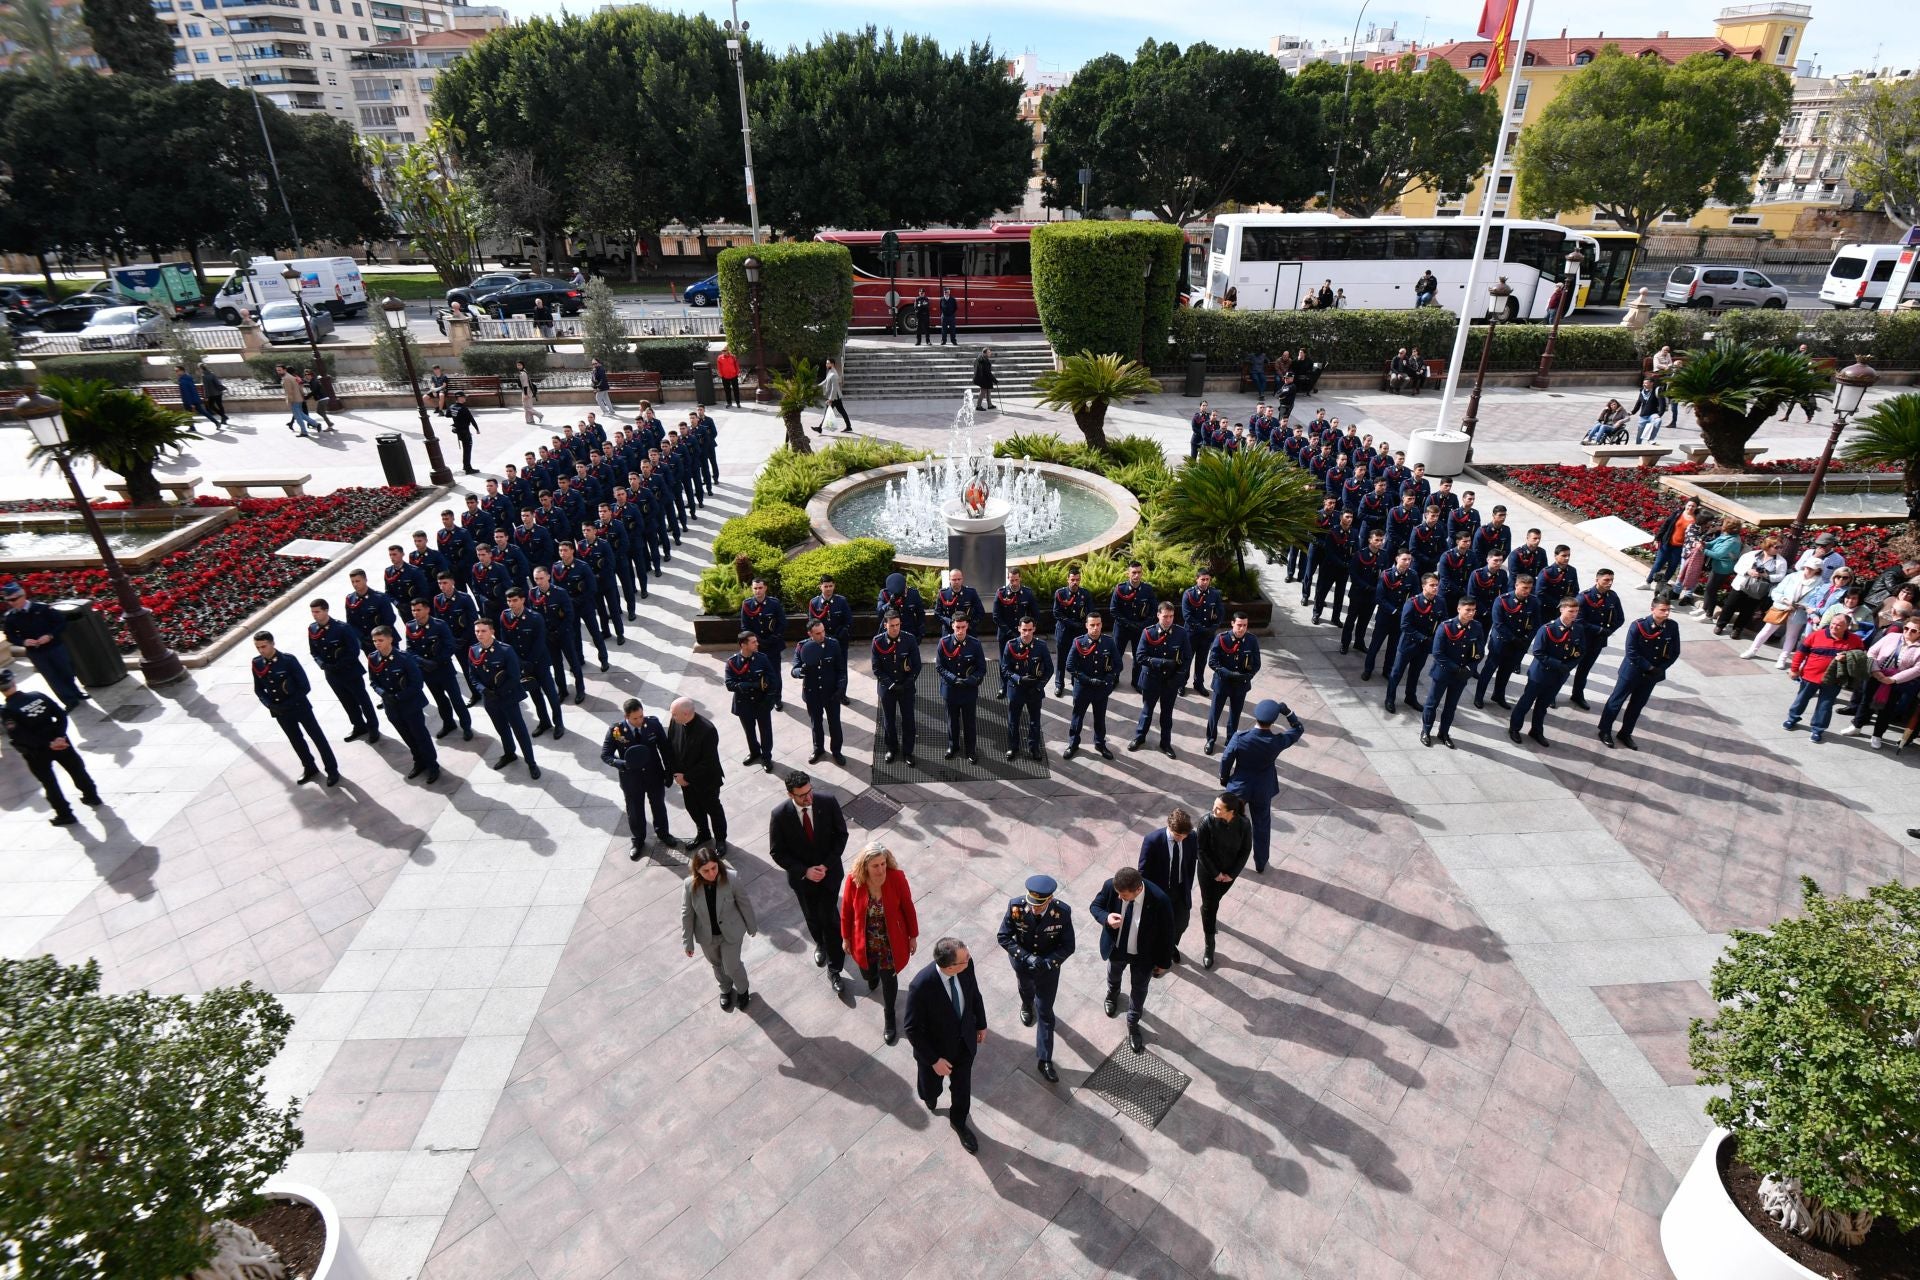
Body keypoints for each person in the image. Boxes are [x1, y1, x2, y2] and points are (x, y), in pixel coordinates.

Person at [903, 936, 988, 1152]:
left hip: (964, 1045)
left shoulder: (966, 967)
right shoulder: (921, 986)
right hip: (935, 1052)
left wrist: (981, 1024)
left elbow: (974, 995)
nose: (969, 959)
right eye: (964, 958)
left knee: (962, 1089)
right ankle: (930, 1097)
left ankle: (959, 1122)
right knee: (930, 1089)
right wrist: (933, 1060)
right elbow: (912, 1029)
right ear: (950, 967)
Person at [768, 771, 849, 991]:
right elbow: (777, 852)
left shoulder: (828, 802)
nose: (808, 798)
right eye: (802, 795)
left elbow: (841, 835)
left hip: (829, 875)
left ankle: (835, 970)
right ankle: (820, 943)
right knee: (811, 915)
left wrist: (826, 865)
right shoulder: (780, 815)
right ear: (790, 794)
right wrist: (804, 871)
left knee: (830, 918)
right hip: (803, 880)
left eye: (809, 791)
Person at [840, 841, 919, 1046]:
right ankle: (871, 975)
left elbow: (908, 908)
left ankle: (890, 1015)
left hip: (890, 942)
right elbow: (847, 911)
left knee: (889, 980)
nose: (881, 869)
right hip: (864, 940)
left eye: (883, 864)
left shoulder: (897, 878)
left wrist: (912, 936)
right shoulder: (853, 881)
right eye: (875, 866)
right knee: (867, 974)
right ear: (865, 866)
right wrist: (846, 938)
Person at [997, 875, 1074, 1083]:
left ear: (1049, 900)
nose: (1034, 909)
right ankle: (1025, 1004)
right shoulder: (1016, 907)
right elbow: (1003, 937)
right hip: (1023, 965)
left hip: (1048, 971)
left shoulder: (1062, 913)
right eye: (1032, 904)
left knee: (1046, 1012)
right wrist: (1026, 957)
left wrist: (1048, 962)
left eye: (1039, 905)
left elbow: (1068, 946)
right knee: (1025, 990)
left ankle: (1044, 1060)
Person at [0, 667, 99, 826]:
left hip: (37, 751)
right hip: (60, 742)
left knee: (50, 783)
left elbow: (20, 735)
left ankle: (65, 814)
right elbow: (61, 715)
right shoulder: (38, 696)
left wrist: (48, 744)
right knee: (76, 769)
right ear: (13, 681)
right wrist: (59, 737)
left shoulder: (8, 711)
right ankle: (92, 795)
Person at [1090, 866, 1173, 1053]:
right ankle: (1113, 994)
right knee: (1114, 973)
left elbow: (1167, 934)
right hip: (1117, 948)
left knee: (1140, 988)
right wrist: (1106, 918)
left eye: (1124, 895)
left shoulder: (1160, 900)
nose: (1120, 898)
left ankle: (1133, 1022)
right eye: (1118, 894)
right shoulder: (1111, 887)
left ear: (1138, 889)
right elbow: (1095, 906)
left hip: (1144, 956)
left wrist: (1163, 963)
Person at [1219, 699, 1305, 874]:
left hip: (1239, 788)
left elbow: (1226, 759)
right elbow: (1298, 729)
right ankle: (1260, 862)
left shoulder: (1239, 737)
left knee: (1229, 825)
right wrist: (1287, 712)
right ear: (1273, 722)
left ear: (1255, 717)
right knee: (1262, 825)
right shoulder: (1277, 741)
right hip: (1263, 788)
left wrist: (1224, 777)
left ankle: (1226, 863)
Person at [251, 631, 339, 787]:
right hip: (280, 711)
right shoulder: (257, 663)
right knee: (296, 741)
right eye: (258, 647)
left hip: (299, 707)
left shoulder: (288, 661)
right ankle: (309, 767)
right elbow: (258, 690)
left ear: (272, 643)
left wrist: (289, 704)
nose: (261, 650)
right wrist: (270, 705)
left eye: (264, 646)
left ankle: (332, 770)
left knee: (317, 737)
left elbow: (304, 686)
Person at [682, 846, 758, 1011]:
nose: (711, 873)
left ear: (718, 864)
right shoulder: (689, 885)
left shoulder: (732, 878)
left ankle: (743, 990)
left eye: (714, 868)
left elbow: (744, 903)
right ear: (697, 870)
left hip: (731, 932)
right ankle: (725, 989)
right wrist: (687, 941)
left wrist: (752, 926)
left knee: (731, 965)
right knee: (716, 964)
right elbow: (687, 915)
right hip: (707, 936)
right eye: (705, 870)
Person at [1598, 598, 1681, 750]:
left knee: (1637, 705)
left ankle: (1625, 733)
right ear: (1653, 609)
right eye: (1663, 609)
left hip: (1652, 675)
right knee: (1616, 701)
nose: (1667, 613)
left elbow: (1675, 652)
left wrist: (1661, 668)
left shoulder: (1672, 626)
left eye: (1668, 609)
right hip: (1632, 671)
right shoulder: (1638, 625)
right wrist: (1649, 667)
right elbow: (1631, 651)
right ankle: (1604, 730)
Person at [1509, 597, 1586, 747]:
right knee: (1526, 702)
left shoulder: (1578, 629)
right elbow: (1538, 652)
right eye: (1571, 611)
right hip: (1541, 674)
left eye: (1576, 612)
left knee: (1543, 705)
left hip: (1559, 675)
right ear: (1561, 609)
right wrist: (1559, 665)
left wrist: (1568, 666)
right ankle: (1514, 728)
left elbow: (1581, 651)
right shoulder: (1547, 629)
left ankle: (1536, 730)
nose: (1574, 615)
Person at [367, 626, 439, 783]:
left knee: (421, 736)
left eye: (381, 640)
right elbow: (373, 681)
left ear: (390, 639)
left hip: (410, 705)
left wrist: (399, 696)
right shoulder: (373, 658)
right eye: (374, 641)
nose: (377, 644)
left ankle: (432, 765)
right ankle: (419, 762)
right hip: (391, 707)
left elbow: (417, 683)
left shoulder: (404, 658)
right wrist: (383, 694)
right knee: (407, 736)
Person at [604, 698, 674, 859]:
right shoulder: (616, 730)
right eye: (635, 718)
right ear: (626, 716)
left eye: (641, 716)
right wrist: (622, 763)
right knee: (634, 810)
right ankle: (638, 841)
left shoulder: (653, 725)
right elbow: (605, 755)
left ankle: (663, 833)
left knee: (658, 806)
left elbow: (665, 749)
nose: (639, 720)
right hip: (631, 779)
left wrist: (668, 771)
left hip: (653, 774)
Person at [469, 618, 538, 778]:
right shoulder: (473, 651)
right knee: (502, 729)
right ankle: (509, 753)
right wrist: (484, 691)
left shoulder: (505, 651)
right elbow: (472, 676)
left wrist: (499, 692)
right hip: (490, 700)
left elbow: (514, 677)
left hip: (507, 698)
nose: (479, 634)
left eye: (483, 631)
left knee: (520, 731)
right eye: (477, 631)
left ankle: (531, 762)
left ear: (492, 632)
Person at [1785, 611, 1868, 743]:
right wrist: (1794, 669)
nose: (1834, 627)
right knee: (1801, 699)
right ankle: (1792, 718)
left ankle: (1818, 729)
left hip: (1834, 680)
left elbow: (1860, 657)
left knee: (1825, 705)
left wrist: (1846, 657)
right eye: (1833, 624)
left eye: (1839, 625)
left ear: (1847, 627)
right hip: (1810, 676)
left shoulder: (1855, 641)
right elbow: (1801, 653)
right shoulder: (1816, 635)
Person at [1, 583, 86, 710]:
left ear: (23, 596)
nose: (12, 603)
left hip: (54, 647)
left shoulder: (42, 608)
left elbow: (60, 623)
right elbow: (10, 636)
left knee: (66, 671)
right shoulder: (11, 617)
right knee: (51, 677)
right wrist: (23, 642)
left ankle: (76, 693)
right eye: (8, 601)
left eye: (14, 599)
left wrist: (50, 635)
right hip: (36, 652)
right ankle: (69, 700)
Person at [307, 598, 379, 744]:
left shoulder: (341, 628)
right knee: (346, 702)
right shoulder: (312, 629)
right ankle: (358, 726)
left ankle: (373, 728)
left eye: (317, 612)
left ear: (326, 610)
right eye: (312, 612)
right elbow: (314, 652)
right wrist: (323, 665)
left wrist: (338, 665)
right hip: (331, 674)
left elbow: (353, 650)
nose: (314, 615)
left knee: (362, 700)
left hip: (349, 671)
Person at [1843, 617, 1920, 747]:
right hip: (1875, 674)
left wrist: (1893, 680)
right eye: (1906, 628)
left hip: (1896, 682)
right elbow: (1872, 652)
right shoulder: (1892, 637)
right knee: (1866, 701)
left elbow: (1917, 669)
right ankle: (1856, 726)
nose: (1908, 632)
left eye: (1914, 630)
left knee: (1887, 710)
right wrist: (1876, 671)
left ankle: (1877, 735)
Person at [1137, 808, 1198, 963]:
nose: (1181, 839)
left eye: (1185, 836)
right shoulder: (1153, 840)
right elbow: (1143, 872)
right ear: (1169, 827)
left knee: (1182, 922)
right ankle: (1162, 952)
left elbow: (1191, 863)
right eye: (1178, 835)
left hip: (1180, 889)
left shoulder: (1191, 837)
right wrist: (1149, 897)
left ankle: (1170, 945)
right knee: (1160, 925)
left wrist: (1187, 886)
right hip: (1160, 892)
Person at [1130, 601, 1189, 758]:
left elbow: (1187, 658)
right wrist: (1162, 662)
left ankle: (1165, 743)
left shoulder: (1181, 633)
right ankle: (1140, 737)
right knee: (1147, 712)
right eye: (1165, 616)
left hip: (1170, 682)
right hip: (1152, 679)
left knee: (1167, 714)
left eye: (1171, 616)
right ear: (1158, 615)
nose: (1168, 620)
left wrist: (1178, 678)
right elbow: (1140, 657)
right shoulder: (1148, 632)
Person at [1422, 598, 1483, 748]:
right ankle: (1426, 731)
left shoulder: (1477, 627)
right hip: (1443, 673)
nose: (1471, 613)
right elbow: (1437, 653)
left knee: (1451, 706)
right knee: (1432, 704)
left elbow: (1479, 652)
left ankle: (1444, 733)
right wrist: (1456, 668)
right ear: (1459, 609)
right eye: (1467, 610)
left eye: (1473, 610)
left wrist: (1470, 668)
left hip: (1461, 676)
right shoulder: (1446, 626)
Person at [666, 697, 727, 849]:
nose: (672, 717)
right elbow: (670, 748)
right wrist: (676, 775)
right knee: (693, 808)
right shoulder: (676, 721)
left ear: (686, 714)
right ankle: (703, 834)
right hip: (684, 780)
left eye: (674, 714)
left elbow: (708, 762)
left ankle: (720, 840)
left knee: (713, 810)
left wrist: (686, 777)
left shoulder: (707, 730)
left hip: (706, 781)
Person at [1742, 559, 1825, 662]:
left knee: (1791, 635)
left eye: (1811, 569)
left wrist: (1803, 606)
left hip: (1799, 612)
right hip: (1781, 607)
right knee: (1767, 630)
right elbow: (1776, 592)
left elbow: (1816, 601)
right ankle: (1752, 650)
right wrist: (1785, 601)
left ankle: (1782, 659)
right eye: (1807, 567)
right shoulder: (1793, 576)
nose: (1807, 570)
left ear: (1817, 570)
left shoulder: (1820, 584)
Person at [1064, 613, 1119, 760]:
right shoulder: (1078, 642)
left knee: (1100, 719)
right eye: (1092, 625)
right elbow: (1070, 666)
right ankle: (1073, 744)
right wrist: (1087, 680)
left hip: (1101, 688)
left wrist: (1107, 679)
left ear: (1101, 625)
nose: (1095, 628)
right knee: (1077, 718)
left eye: (1098, 625)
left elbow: (1118, 665)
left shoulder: (1109, 642)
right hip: (1083, 688)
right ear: (1087, 626)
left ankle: (1100, 744)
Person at [792, 618, 846, 766]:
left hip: (831, 693)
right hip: (812, 693)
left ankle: (836, 751)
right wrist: (801, 670)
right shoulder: (802, 647)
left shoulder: (833, 644)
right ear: (810, 634)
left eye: (823, 631)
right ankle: (818, 749)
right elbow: (794, 669)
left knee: (835, 724)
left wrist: (841, 687)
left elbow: (841, 669)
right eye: (817, 633)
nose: (822, 635)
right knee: (816, 723)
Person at [1204, 612, 1260, 755]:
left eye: (1245, 626)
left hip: (1240, 685)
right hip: (1222, 683)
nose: (1242, 629)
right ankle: (1210, 739)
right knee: (1214, 714)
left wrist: (1248, 676)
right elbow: (1212, 661)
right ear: (1232, 623)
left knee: (1235, 715)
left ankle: (1231, 740)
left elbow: (1256, 664)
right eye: (1239, 625)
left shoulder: (1251, 640)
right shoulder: (1222, 638)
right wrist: (1228, 674)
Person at [1386, 575, 1442, 715]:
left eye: (1437, 585)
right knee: (1397, 673)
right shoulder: (1412, 602)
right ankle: (1390, 698)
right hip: (1409, 644)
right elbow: (1405, 625)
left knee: (1415, 673)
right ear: (1424, 586)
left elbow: (1443, 622)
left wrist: (1435, 639)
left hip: (1424, 647)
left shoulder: (1440, 602)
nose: (1435, 588)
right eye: (1432, 585)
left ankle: (1410, 697)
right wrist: (1422, 638)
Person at [1570, 570, 1625, 709]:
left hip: (1597, 642)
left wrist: (1608, 631)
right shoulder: (1584, 597)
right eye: (1606, 580)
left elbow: (1620, 618)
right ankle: (1551, 695)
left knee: (1584, 670)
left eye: (1612, 580)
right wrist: (1600, 630)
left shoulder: (1612, 596)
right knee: (1565, 667)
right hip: (1579, 640)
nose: (1610, 583)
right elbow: (1578, 621)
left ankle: (1577, 694)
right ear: (1597, 579)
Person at [871, 609, 920, 766]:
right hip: (887, 689)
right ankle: (892, 748)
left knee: (908, 721)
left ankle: (908, 752)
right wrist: (891, 684)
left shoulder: (909, 639)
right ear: (885, 625)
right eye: (891, 625)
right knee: (889, 721)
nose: (895, 628)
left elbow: (917, 665)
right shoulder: (877, 642)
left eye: (897, 625)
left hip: (906, 687)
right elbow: (877, 669)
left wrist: (906, 684)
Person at [1001, 615, 1052, 761]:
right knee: (1013, 720)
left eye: (1030, 630)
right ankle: (1013, 747)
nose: (1027, 633)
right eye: (1024, 630)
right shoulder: (1011, 645)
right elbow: (1005, 669)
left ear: (1034, 629)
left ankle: (1034, 748)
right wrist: (1019, 679)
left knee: (1034, 721)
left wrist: (1039, 686)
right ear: (1019, 629)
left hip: (1033, 690)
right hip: (1016, 689)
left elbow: (1049, 669)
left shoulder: (1041, 646)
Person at [936, 614, 986, 763]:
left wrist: (970, 681)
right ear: (952, 626)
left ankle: (970, 750)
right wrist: (954, 679)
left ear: (967, 626)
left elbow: (981, 668)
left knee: (969, 722)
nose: (960, 631)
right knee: (952, 721)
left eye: (963, 627)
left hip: (968, 690)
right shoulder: (944, 643)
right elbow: (939, 667)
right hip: (951, 690)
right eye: (957, 627)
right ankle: (953, 746)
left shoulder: (975, 644)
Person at [1717, 536, 1786, 638]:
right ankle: (1720, 625)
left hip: (1758, 589)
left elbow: (1781, 576)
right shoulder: (1751, 555)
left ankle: (1737, 629)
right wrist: (1748, 571)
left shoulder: (1781, 561)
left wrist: (1767, 576)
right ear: (1768, 546)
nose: (1779, 549)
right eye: (1777, 547)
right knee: (1730, 606)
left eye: (1781, 547)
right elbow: (1737, 567)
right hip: (1741, 585)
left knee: (1748, 611)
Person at [1050, 568, 1090, 697]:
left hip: (1079, 633)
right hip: (1064, 632)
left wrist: (1083, 624)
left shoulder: (1085, 594)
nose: (1075, 582)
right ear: (1068, 580)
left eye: (1077, 580)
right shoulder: (1060, 594)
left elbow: (1090, 612)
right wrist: (1072, 623)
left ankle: (1075, 682)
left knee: (1078, 659)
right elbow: (1056, 612)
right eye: (1072, 580)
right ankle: (1059, 685)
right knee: (1061, 660)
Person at [1646, 500, 1698, 590]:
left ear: (1696, 508)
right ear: (1686, 505)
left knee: (1672, 567)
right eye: (1689, 505)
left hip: (1680, 548)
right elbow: (1665, 525)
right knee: (1658, 564)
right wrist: (1657, 538)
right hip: (1667, 543)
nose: (1690, 508)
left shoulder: (1696, 519)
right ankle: (1648, 582)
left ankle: (1662, 584)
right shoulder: (1678, 513)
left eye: (1693, 506)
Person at [174, 364, 216, 431]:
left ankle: (192, 428)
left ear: (182, 371)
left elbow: (186, 393)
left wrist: (190, 403)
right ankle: (216, 422)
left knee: (188, 414)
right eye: (175, 371)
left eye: (177, 371)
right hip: (195, 399)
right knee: (203, 412)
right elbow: (192, 390)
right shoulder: (188, 378)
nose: (176, 372)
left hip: (188, 401)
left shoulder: (183, 381)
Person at [279, 364, 317, 437]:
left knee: (300, 413)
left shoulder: (291, 378)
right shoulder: (296, 378)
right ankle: (310, 424)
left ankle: (311, 425)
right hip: (300, 398)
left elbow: (296, 389)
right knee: (301, 413)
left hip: (297, 399)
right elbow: (300, 388)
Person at [818, 358, 853, 434]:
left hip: (834, 396)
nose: (826, 364)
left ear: (832, 364)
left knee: (830, 411)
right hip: (835, 396)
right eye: (826, 363)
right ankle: (849, 426)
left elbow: (834, 388)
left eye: (828, 363)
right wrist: (817, 386)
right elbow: (826, 380)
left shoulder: (834, 374)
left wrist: (830, 399)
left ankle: (819, 428)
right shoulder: (830, 371)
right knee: (841, 411)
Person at [1631, 379, 1667, 444]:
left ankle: (1651, 439)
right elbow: (1639, 402)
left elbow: (1662, 403)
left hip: (1653, 415)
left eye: (1646, 383)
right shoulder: (1642, 391)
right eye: (1643, 383)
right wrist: (1632, 412)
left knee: (1658, 421)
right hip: (1643, 416)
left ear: (1651, 383)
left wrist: (1659, 414)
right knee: (1639, 435)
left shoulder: (1657, 390)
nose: (1644, 384)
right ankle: (1637, 446)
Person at [514, 359, 543, 424]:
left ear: (523, 365)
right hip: (529, 391)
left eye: (520, 365)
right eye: (517, 365)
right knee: (529, 406)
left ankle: (539, 415)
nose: (518, 366)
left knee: (526, 407)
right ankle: (530, 420)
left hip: (526, 391)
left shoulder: (522, 373)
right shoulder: (524, 371)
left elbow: (525, 385)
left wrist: (525, 394)